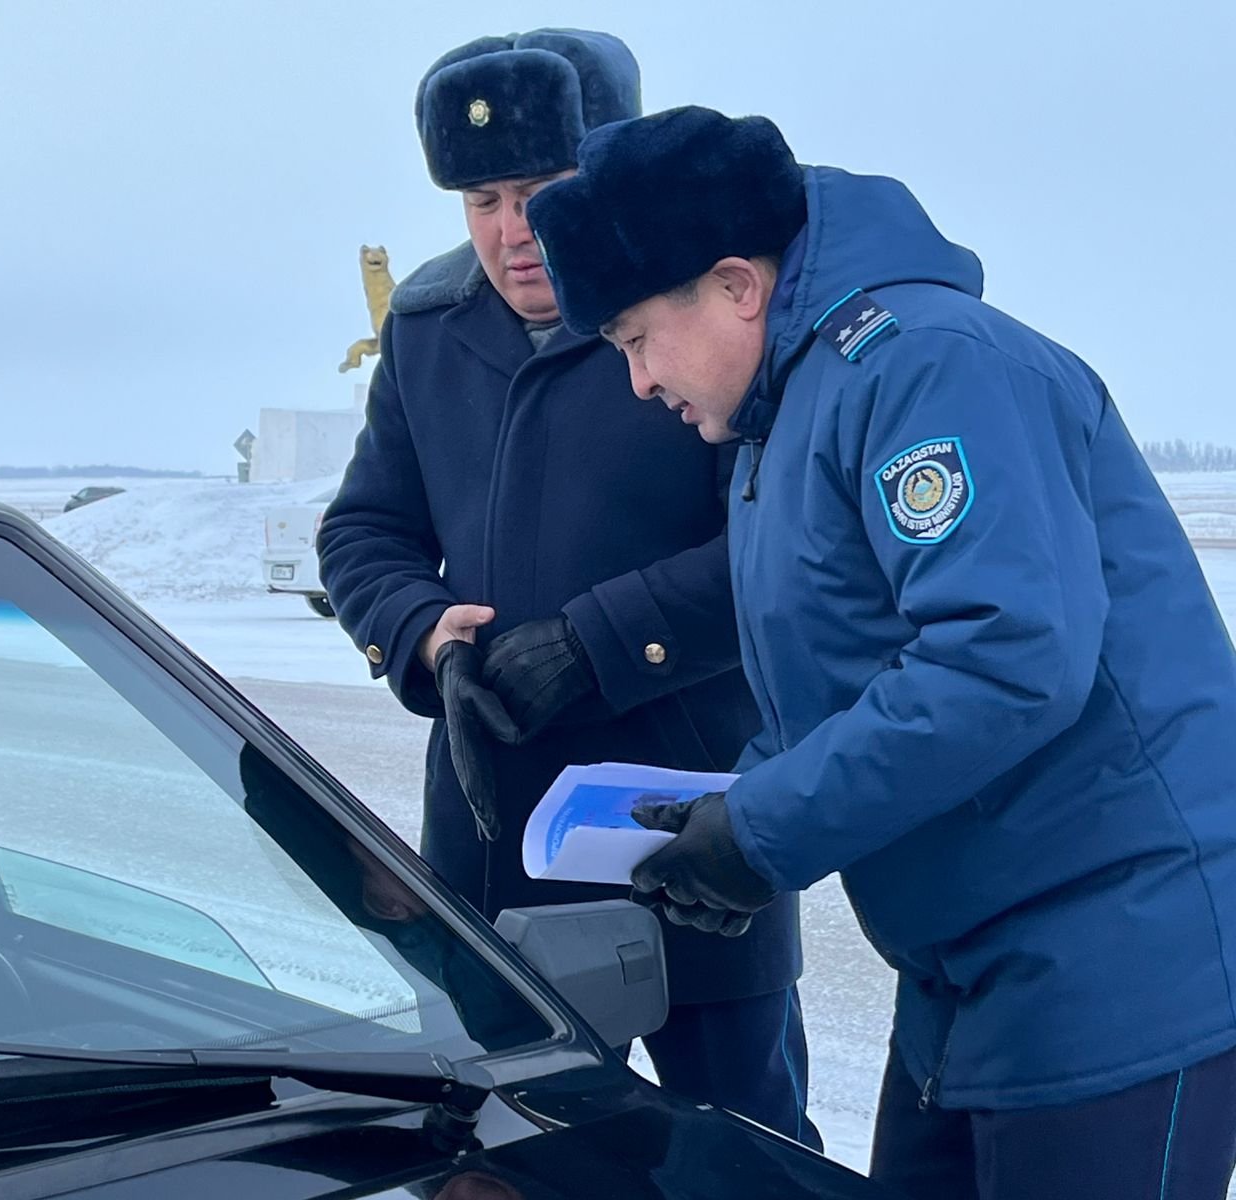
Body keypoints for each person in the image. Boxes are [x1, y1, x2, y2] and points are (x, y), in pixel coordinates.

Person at [524, 105, 1236, 1198]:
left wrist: (762, 831)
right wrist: (729, 819)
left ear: (735, 285)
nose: (639, 382)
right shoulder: (785, 420)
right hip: (970, 964)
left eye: (634, 340)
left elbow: (1004, 658)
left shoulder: (926, 368)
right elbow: (840, 687)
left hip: (1116, 956)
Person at [317, 32, 814, 1146]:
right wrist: (423, 633)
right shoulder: (427, 328)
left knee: (740, 1148)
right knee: (511, 1147)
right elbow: (364, 529)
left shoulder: (695, 312)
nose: (511, 232)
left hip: (689, 830)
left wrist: (599, 642)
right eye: (482, 200)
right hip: (495, 841)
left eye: (540, 193)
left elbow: (777, 545)